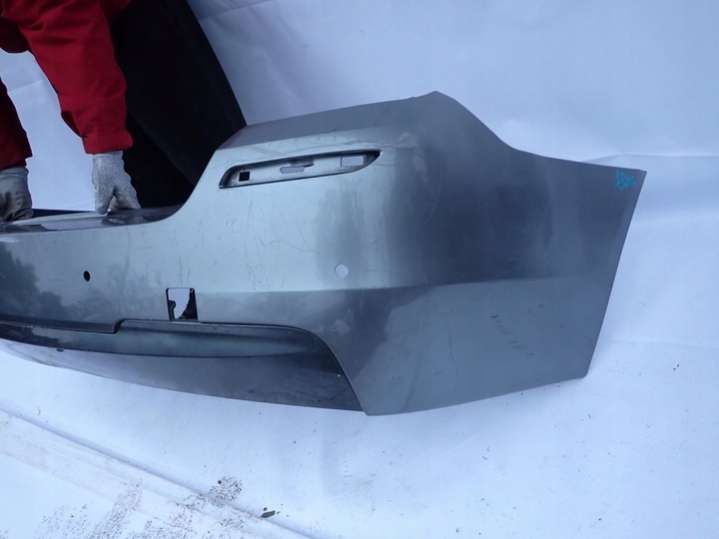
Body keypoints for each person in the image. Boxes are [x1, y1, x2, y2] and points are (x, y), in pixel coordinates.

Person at [0, 0, 246, 222]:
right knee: (154, 206)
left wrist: (105, 144)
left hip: (132, 23)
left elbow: (62, 22)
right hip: (78, 51)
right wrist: (7, 166)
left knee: (219, 180)